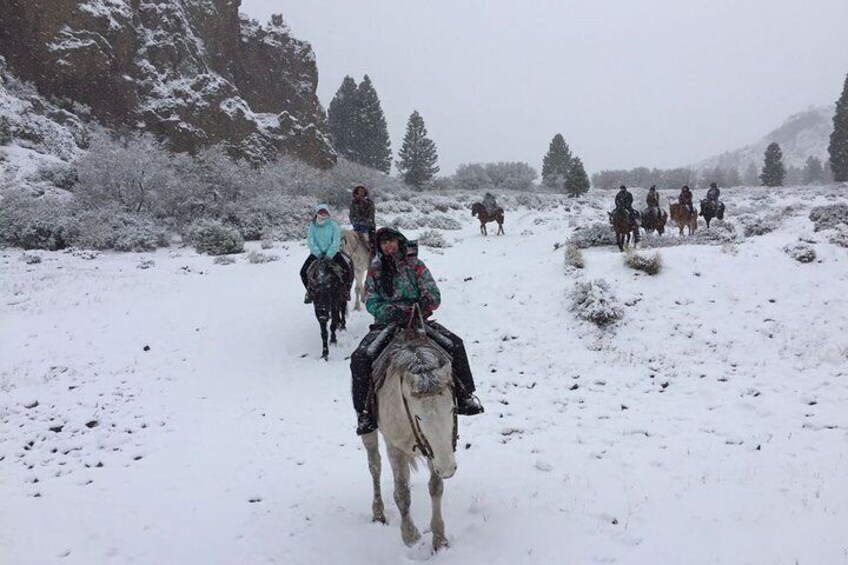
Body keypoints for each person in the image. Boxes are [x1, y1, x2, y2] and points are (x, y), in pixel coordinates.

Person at [350, 227, 484, 435]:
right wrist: (389, 311)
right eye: (383, 243)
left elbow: (433, 293)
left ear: (399, 241)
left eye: (391, 241)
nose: (388, 246)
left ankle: (465, 396)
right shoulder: (375, 270)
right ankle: (365, 412)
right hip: (387, 324)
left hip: (418, 320)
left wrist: (423, 304)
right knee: (360, 357)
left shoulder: (416, 265)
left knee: (455, 344)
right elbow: (371, 300)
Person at [300, 204, 352, 303]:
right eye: (320, 212)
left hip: (333, 254)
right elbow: (310, 240)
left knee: (347, 270)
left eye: (325, 212)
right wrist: (318, 253)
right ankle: (310, 292)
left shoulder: (333, 224)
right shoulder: (313, 225)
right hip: (316, 255)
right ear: (317, 213)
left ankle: (346, 291)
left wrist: (329, 254)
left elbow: (336, 240)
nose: (323, 213)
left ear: (328, 213)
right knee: (303, 272)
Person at [349, 184, 376, 257]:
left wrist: (366, 223)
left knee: (371, 242)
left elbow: (371, 214)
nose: (361, 192)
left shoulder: (369, 202)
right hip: (357, 225)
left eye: (362, 191)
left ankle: (372, 255)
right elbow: (351, 214)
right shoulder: (353, 202)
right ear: (356, 192)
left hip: (369, 226)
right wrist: (355, 223)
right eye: (359, 191)